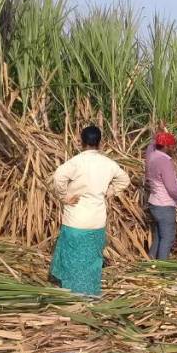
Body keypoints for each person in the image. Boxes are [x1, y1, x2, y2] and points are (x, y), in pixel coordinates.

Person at [50, 125, 130, 296]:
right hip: (96, 220)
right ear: (100, 143)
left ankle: (71, 295)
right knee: (92, 260)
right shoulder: (108, 164)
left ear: (81, 141)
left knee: (73, 259)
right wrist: (109, 192)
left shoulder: (76, 162)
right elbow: (124, 179)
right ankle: (90, 294)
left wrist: (64, 197)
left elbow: (58, 177)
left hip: (76, 218)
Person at [144, 124, 177, 259]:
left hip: (154, 204)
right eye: (172, 146)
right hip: (164, 206)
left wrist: (159, 133)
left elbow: (151, 144)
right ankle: (163, 269)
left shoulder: (151, 155)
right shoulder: (164, 162)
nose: (174, 149)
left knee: (158, 237)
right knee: (167, 238)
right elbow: (172, 188)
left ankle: (151, 262)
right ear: (166, 147)